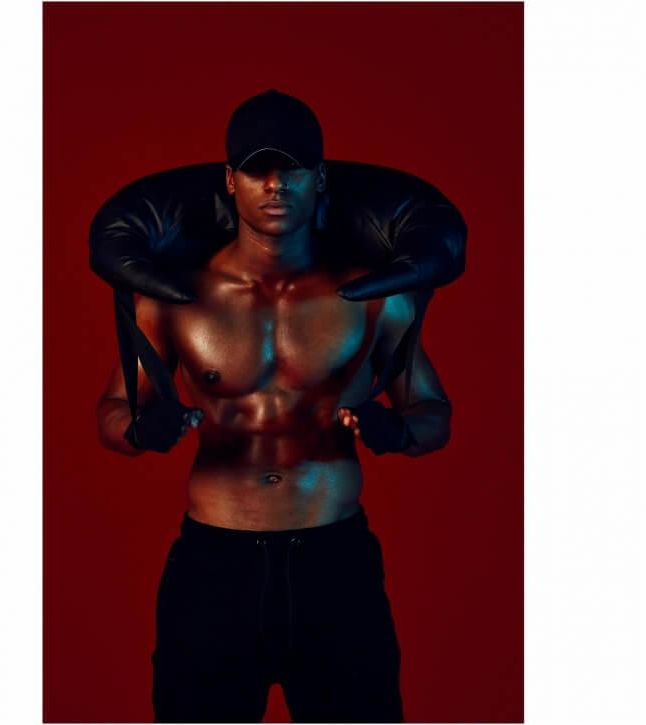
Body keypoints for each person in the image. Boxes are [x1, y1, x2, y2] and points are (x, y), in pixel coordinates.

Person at [96, 90, 452, 723]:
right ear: (230, 181)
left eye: (292, 169)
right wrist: (139, 430)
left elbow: (433, 412)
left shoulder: (373, 295)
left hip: (335, 565)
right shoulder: (176, 296)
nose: (275, 184)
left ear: (320, 178)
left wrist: (399, 431)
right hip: (215, 568)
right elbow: (113, 412)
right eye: (257, 169)